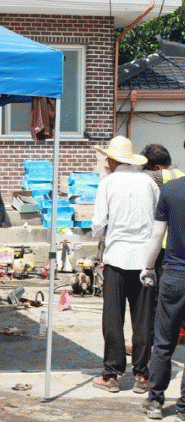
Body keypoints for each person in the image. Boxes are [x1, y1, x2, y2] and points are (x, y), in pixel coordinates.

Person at [91, 136, 159, 393]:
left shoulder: (108, 183)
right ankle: (141, 374)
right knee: (143, 319)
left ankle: (111, 374)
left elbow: (99, 223)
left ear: (112, 160)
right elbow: (157, 219)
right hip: (144, 259)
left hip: (117, 257)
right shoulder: (148, 182)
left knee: (113, 318)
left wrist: (100, 235)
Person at [139, 141, 185, 420]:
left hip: (174, 275)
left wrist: (148, 267)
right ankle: (184, 408)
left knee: (164, 342)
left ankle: (155, 401)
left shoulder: (171, 189)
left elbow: (157, 235)